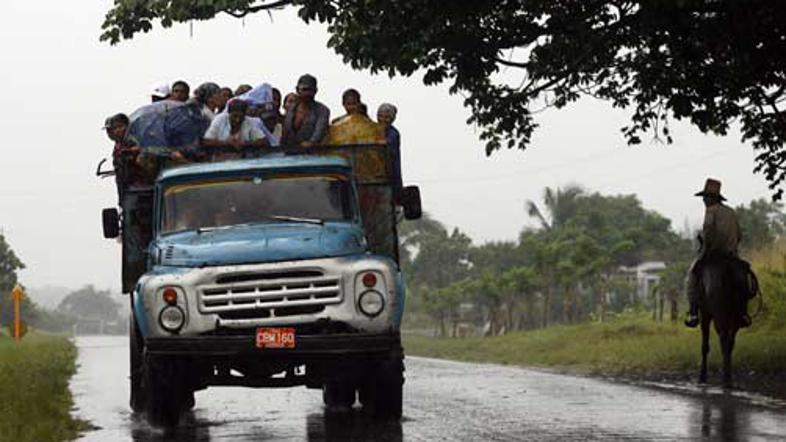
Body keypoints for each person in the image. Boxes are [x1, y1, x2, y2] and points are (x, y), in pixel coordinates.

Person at [684, 178, 749, 328]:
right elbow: (739, 236)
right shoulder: (731, 212)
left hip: (713, 255)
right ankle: (743, 313)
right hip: (732, 256)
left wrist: (706, 248)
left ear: (712, 198)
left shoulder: (710, 211)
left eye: (705, 197)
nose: (704, 200)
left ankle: (693, 312)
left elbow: (708, 234)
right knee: (744, 281)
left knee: (692, 277)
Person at [203, 99, 269, 161]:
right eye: (234, 116)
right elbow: (207, 141)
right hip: (221, 156)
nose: (237, 120)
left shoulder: (249, 121)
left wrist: (245, 143)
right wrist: (227, 143)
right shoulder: (219, 119)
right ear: (229, 113)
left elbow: (263, 140)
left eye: (241, 117)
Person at [281, 74, 330, 149]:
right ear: (297, 90)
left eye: (310, 90)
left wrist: (310, 143)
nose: (307, 93)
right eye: (304, 90)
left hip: (312, 153)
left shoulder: (322, 110)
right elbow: (285, 134)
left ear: (315, 91)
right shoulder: (291, 109)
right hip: (288, 152)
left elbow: (317, 136)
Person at [104, 113, 145, 192]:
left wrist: (132, 152)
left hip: (137, 186)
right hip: (125, 186)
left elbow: (143, 152)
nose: (116, 131)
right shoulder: (118, 145)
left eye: (120, 127)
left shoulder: (132, 140)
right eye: (111, 129)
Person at [377, 103, 403, 198]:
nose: (383, 119)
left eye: (387, 117)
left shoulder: (394, 133)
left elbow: (388, 144)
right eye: (380, 116)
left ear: (392, 119)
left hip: (391, 174)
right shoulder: (374, 129)